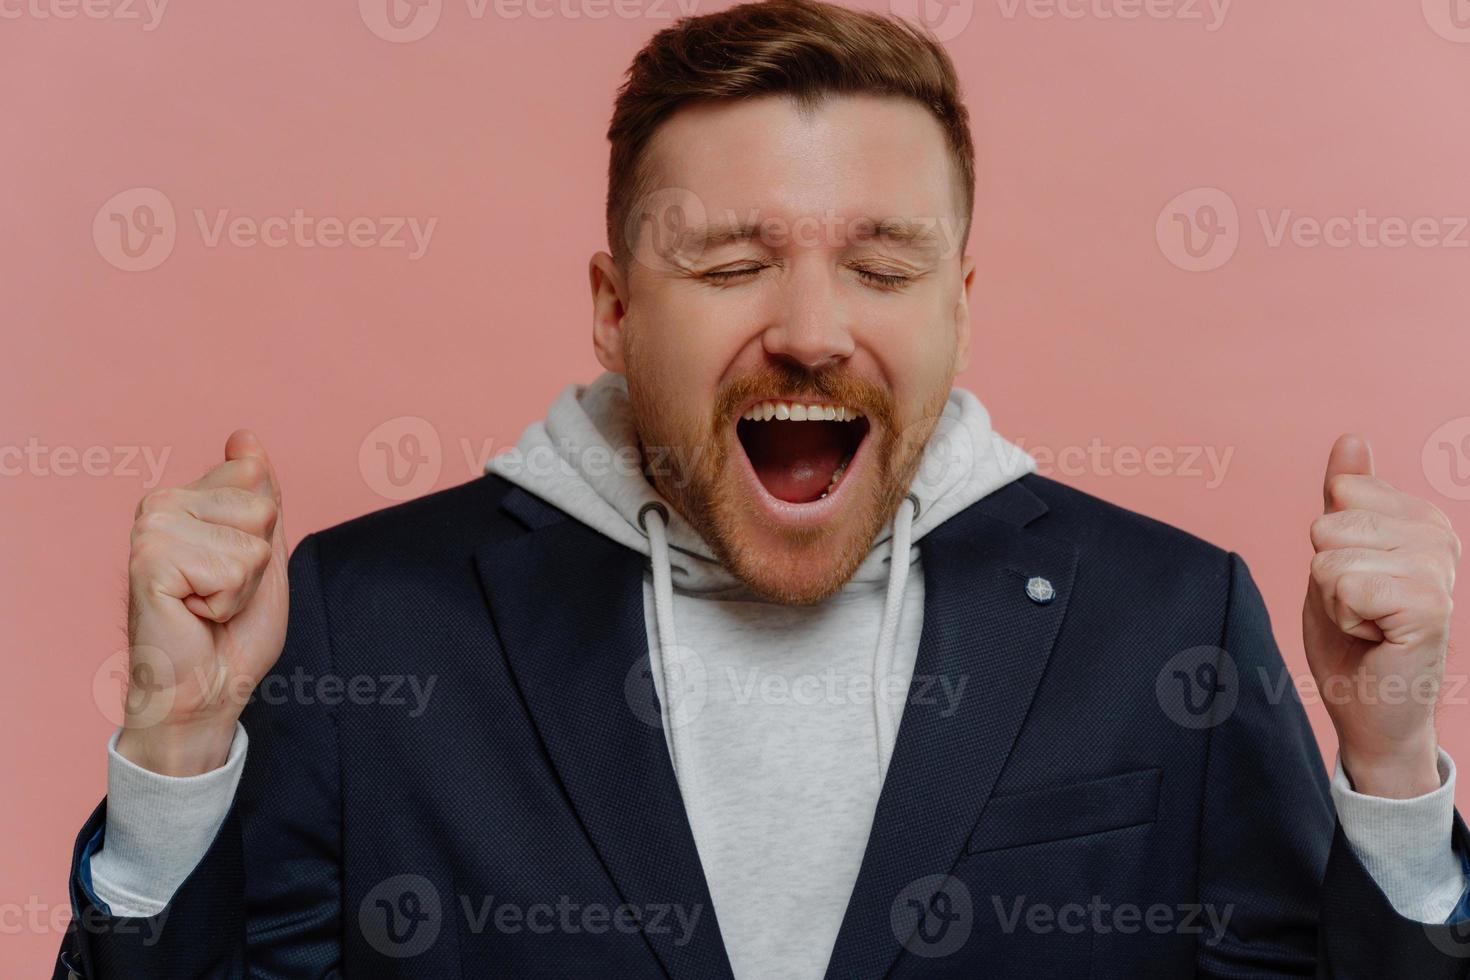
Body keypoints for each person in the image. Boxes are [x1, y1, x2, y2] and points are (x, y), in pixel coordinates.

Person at [55, 1, 1470, 977]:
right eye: (730, 264)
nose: (805, 325)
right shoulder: (369, 621)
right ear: (612, 309)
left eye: (882, 265)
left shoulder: (1166, 615)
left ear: (960, 308)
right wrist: (174, 755)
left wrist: (1390, 774)